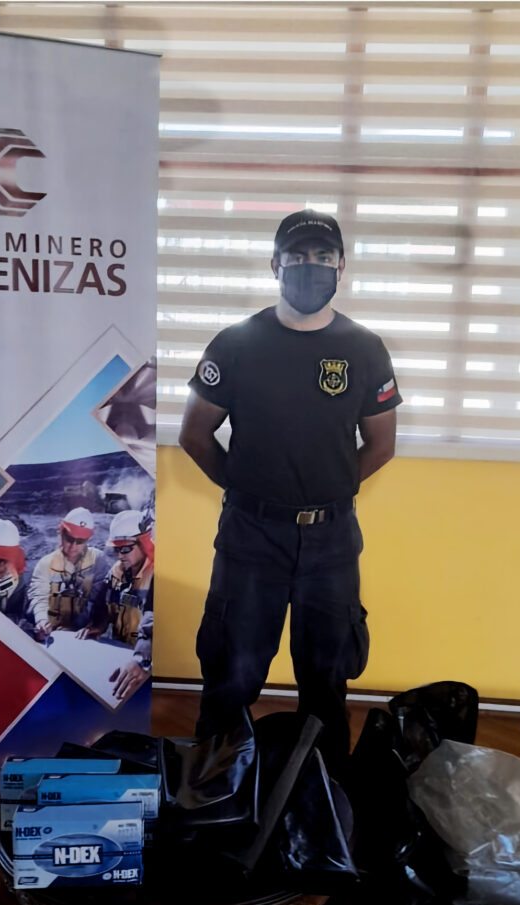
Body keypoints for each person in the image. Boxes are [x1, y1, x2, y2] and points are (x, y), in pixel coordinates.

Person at [179, 209, 402, 778]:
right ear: (275, 264)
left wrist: (326, 492)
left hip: (331, 542)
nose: (311, 267)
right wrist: (250, 490)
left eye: (323, 257)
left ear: (341, 267)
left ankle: (323, 803)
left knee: (327, 683)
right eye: (298, 257)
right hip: (250, 538)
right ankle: (210, 796)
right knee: (232, 677)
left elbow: (381, 445)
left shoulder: (365, 349)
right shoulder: (236, 344)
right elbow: (195, 435)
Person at [77, 509, 154, 702]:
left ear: (144, 543)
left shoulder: (158, 575)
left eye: (125, 549)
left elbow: (156, 624)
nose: (120, 555)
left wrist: (142, 660)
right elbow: (103, 606)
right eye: (116, 550)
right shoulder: (116, 573)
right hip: (122, 660)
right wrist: (97, 625)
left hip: (146, 667)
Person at [28, 507, 98, 640]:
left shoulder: (98, 562)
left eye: (80, 541)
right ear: (61, 533)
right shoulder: (45, 564)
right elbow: (39, 596)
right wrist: (42, 620)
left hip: (84, 638)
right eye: (69, 539)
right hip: (51, 636)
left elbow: (101, 601)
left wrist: (93, 626)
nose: (73, 546)